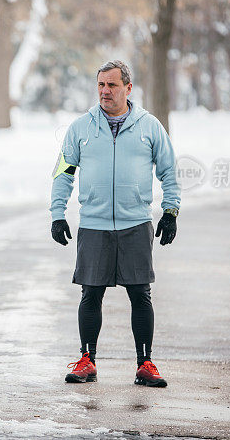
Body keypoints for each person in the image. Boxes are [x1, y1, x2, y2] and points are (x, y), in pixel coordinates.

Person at [50, 60, 180, 388]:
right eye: (101, 85)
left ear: (128, 88)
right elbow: (63, 173)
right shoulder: (80, 128)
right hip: (94, 225)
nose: (105, 91)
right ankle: (87, 360)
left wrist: (170, 211)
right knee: (90, 293)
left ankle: (145, 363)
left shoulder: (150, 127)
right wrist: (57, 214)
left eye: (112, 85)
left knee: (140, 293)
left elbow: (169, 171)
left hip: (135, 223)